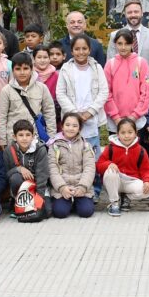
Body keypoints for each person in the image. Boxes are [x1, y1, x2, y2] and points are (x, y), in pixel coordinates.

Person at [56, 35, 110, 196]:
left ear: (89, 50)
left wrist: (89, 112)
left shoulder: (96, 68)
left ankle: (95, 191)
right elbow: (60, 93)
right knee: (73, 156)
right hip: (72, 120)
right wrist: (74, 114)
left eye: (84, 49)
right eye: (77, 49)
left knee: (92, 157)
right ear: (71, 51)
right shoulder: (66, 69)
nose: (81, 52)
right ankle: (72, 189)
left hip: (91, 118)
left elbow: (103, 91)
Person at [97, 117, 149, 216]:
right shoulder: (110, 148)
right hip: (114, 181)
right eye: (123, 133)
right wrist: (109, 164)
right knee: (110, 172)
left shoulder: (140, 150)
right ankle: (114, 203)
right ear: (117, 134)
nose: (126, 136)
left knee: (146, 191)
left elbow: (147, 170)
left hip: (131, 181)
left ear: (136, 133)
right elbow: (99, 165)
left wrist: (148, 181)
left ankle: (126, 197)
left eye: (130, 132)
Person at [0, 52, 56, 147]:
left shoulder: (42, 88)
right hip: (13, 138)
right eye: (18, 69)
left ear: (32, 69)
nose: (22, 72)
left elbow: (49, 113)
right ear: (12, 70)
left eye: (25, 68)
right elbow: (2, 117)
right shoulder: (6, 90)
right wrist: (2, 141)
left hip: (36, 137)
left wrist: (51, 137)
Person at [104, 29, 149, 141]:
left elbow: (146, 91)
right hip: (115, 122)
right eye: (120, 43)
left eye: (127, 43)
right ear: (115, 44)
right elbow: (106, 92)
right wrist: (116, 118)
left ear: (132, 44)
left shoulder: (142, 63)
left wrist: (134, 116)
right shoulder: (110, 64)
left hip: (137, 121)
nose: (123, 47)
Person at [48, 113, 96, 218]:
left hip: (81, 185)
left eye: (75, 126)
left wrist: (83, 187)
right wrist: (62, 187)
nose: (71, 128)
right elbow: (52, 169)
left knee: (86, 212)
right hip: (62, 186)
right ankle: (66, 202)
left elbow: (89, 167)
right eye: (68, 125)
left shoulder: (85, 145)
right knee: (60, 212)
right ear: (62, 126)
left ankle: (77, 202)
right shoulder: (54, 145)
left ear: (80, 128)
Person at [3, 119, 51, 218]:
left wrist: (39, 198)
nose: (24, 138)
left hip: (38, 186)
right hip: (21, 186)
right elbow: (6, 175)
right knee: (15, 178)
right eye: (20, 135)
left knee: (46, 212)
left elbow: (42, 175)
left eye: (28, 135)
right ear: (14, 137)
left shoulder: (40, 149)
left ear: (33, 136)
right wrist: (18, 169)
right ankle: (17, 200)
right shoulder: (8, 151)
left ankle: (32, 202)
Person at [108, 1, 149, 71]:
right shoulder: (115, 36)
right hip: (123, 80)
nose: (133, 15)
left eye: (136, 12)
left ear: (142, 13)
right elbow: (110, 64)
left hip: (147, 80)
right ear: (125, 14)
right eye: (129, 12)